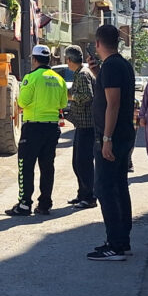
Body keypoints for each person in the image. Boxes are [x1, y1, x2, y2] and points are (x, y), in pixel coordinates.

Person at [85, 25, 135, 262]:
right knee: (118, 187)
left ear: (97, 43)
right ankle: (121, 241)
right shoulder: (118, 65)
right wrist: (97, 75)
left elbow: (113, 104)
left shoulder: (113, 66)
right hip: (122, 135)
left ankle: (114, 244)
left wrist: (106, 139)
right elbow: (110, 96)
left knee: (105, 189)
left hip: (112, 138)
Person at [5, 45, 67, 216]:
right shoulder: (58, 79)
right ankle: (45, 204)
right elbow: (63, 104)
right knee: (47, 167)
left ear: (34, 59)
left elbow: (23, 102)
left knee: (26, 166)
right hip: (52, 128)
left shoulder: (31, 77)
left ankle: (25, 204)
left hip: (33, 128)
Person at [64, 45, 97, 209]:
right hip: (81, 124)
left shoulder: (83, 74)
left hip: (87, 125)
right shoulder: (81, 73)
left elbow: (87, 96)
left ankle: (89, 197)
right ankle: (82, 193)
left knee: (83, 163)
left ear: (69, 60)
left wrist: (71, 97)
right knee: (77, 162)